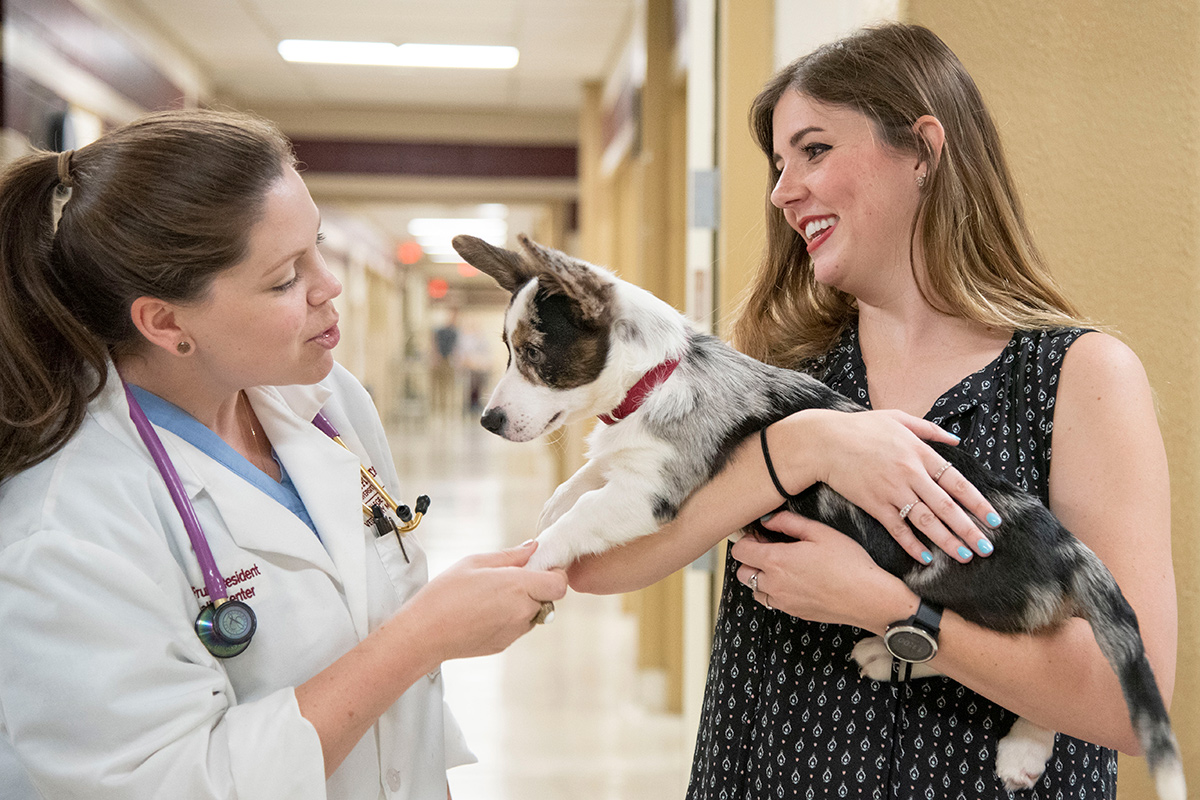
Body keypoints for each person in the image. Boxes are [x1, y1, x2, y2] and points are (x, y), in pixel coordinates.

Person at [569, 23, 1177, 799]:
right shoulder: (780, 378)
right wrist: (802, 450)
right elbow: (588, 560)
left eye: (814, 150)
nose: (783, 192)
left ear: (922, 150)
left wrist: (890, 608)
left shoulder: (1078, 378)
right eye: (779, 164)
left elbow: (1135, 703)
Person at [0, 109, 567, 799]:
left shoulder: (326, 402)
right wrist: (421, 638)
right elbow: (165, 783)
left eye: (318, 246)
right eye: (284, 278)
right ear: (165, 321)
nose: (329, 286)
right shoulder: (65, 530)